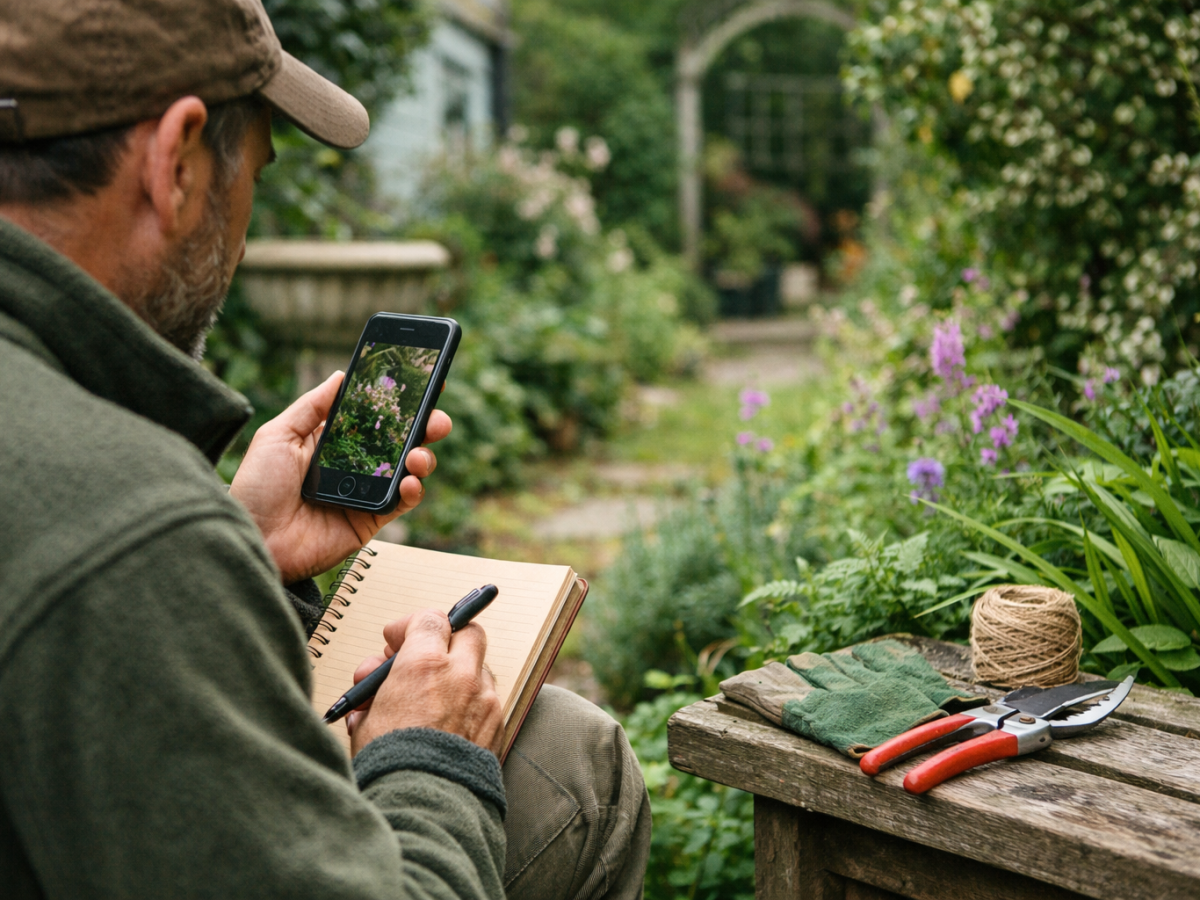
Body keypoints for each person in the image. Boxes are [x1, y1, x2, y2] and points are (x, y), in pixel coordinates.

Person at [0, 1, 650, 898]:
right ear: (177, 160)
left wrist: (238, 547)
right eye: (254, 171)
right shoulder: (125, 527)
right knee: (578, 767)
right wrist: (428, 757)